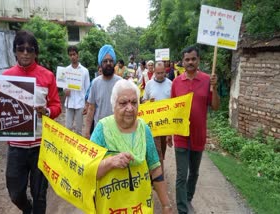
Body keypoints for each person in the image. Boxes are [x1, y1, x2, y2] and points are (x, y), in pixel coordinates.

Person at [0, 30, 61, 214]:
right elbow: (0, 107)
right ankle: (26, 209)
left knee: (40, 195)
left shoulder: (47, 76)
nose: (26, 53)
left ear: (36, 52)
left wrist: (47, 111)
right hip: (16, 147)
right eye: (21, 49)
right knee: (15, 193)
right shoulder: (6, 77)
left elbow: (56, 105)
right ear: (15, 51)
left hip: (40, 145)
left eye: (30, 49)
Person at [91, 79, 173, 214]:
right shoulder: (102, 129)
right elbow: (89, 172)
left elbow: (155, 168)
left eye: (134, 102)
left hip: (139, 207)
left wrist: (166, 205)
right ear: (114, 105)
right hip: (111, 208)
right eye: (123, 103)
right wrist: (110, 162)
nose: (130, 108)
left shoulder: (144, 129)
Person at [168, 46, 220, 214]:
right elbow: (172, 110)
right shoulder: (176, 82)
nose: (190, 62)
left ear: (199, 60)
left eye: (193, 59)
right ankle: (182, 209)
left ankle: (188, 199)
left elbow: (215, 106)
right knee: (182, 175)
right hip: (181, 135)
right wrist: (169, 132)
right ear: (182, 62)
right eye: (187, 59)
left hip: (198, 135)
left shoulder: (207, 80)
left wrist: (215, 88)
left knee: (194, 173)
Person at [84, 44, 122, 139]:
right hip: (99, 130)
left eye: (111, 61)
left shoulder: (121, 82)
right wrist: (87, 131)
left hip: (117, 131)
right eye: (105, 61)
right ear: (100, 64)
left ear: (114, 63)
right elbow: (91, 108)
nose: (108, 63)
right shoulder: (95, 83)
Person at [143, 61, 172, 172]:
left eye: (162, 73)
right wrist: (148, 102)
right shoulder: (149, 84)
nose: (160, 75)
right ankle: (159, 176)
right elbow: (144, 100)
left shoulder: (170, 84)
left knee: (162, 149)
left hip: (165, 122)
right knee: (157, 149)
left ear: (165, 71)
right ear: (154, 72)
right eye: (158, 73)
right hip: (153, 123)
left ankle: (157, 167)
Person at [64, 45, 90, 136]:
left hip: (80, 102)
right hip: (69, 102)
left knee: (79, 130)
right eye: (70, 55)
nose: (72, 57)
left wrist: (87, 105)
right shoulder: (66, 70)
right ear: (68, 56)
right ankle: (68, 148)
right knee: (68, 128)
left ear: (77, 55)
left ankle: (77, 149)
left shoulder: (84, 71)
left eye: (74, 54)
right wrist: (65, 91)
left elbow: (87, 89)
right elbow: (64, 85)